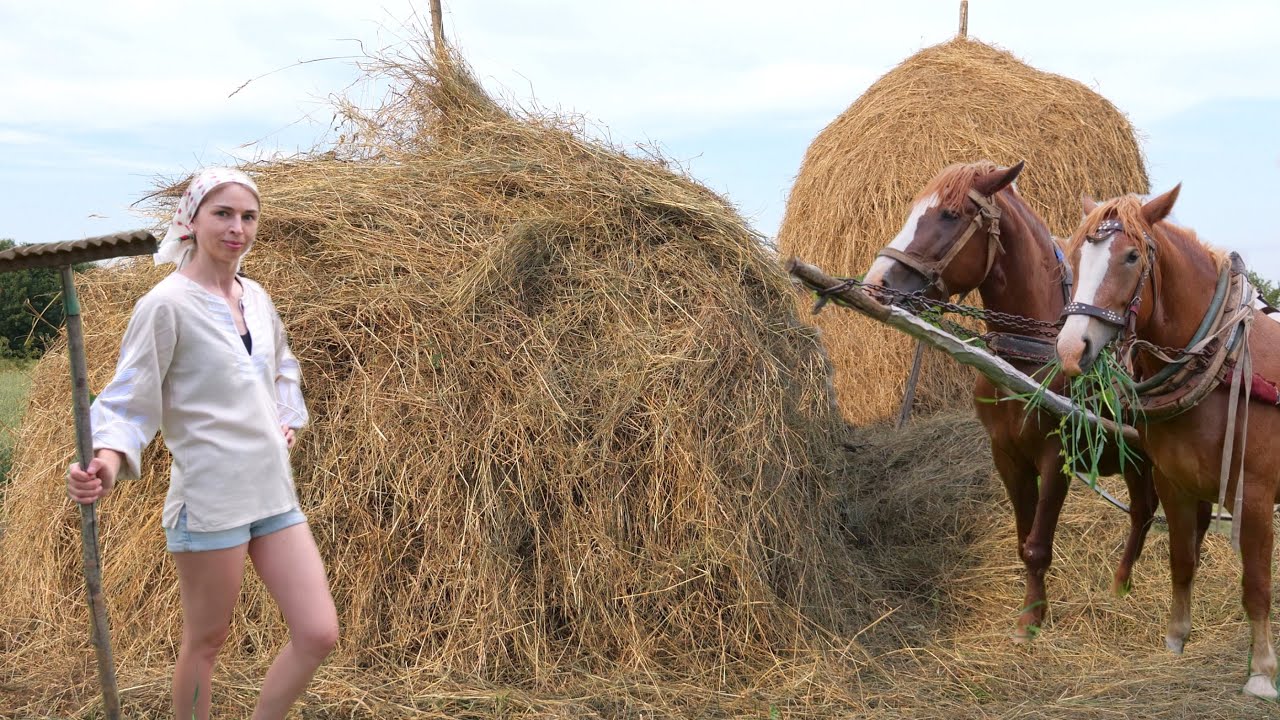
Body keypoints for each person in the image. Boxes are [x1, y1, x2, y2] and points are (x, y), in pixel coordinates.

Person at [66, 167, 338, 720]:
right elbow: (128, 400)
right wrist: (107, 462)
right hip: (211, 506)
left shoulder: (256, 297)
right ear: (191, 220)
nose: (237, 227)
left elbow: (281, 368)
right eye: (223, 214)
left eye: (248, 216)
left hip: (273, 495)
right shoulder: (164, 306)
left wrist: (283, 418)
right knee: (207, 643)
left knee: (319, 633)